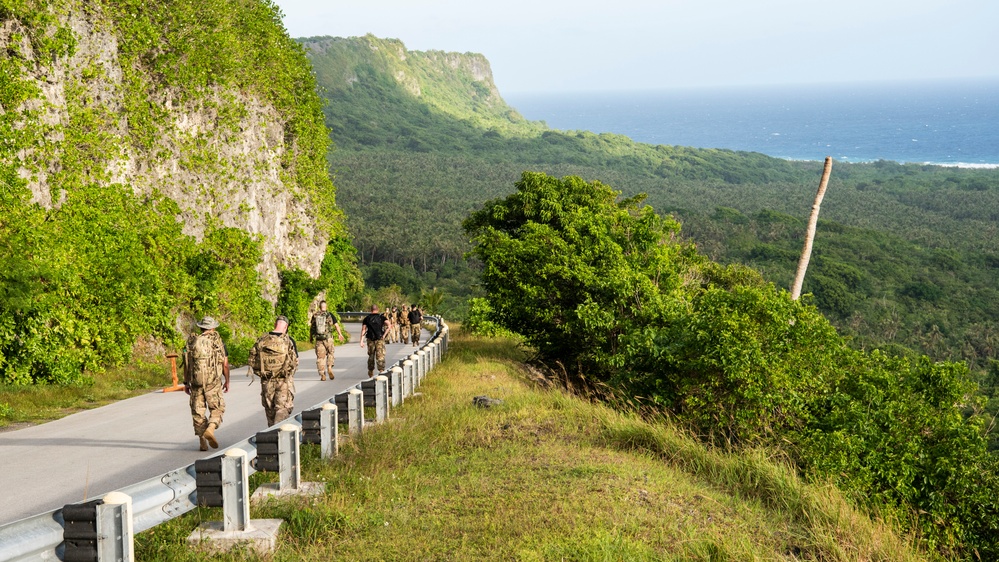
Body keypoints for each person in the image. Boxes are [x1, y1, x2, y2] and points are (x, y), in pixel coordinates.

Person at [183, 316, 230, 451]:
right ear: (213, 327)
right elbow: (225, 365)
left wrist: (186, 382)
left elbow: (187, 364)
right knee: (217, 408)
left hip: (196, 383)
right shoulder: (218, 343)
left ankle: (202, 441)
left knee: (198, 412)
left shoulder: (192, 342)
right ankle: (211, 428)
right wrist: (227, 380)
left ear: (200, 327)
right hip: (213, 383)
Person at [248, 315, 299, 427]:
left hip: (267, 381)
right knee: (283, 408)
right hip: (283, 381)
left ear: (275, 325)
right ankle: (278, 431)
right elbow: (295, 362)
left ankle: (271, 433)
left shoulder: (262, 340)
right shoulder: (288, 341)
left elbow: (252, 360)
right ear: (285, 327)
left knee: (270, 411)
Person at [310, 300, 344, 381]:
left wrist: (310, 337)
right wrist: (340, 334)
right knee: (330, 353)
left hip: (319, 339)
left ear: (319, 307)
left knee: (320, 357)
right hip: (328, 338)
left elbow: (312, 328)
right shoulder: (330, 315)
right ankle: (329, 367)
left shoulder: (315, 316)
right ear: (326, 307)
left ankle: (322, 374)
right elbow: (336, 325)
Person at [360, 304, 390, 377]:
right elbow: (389, 325)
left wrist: (361, 341)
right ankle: (381, 370)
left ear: (371, 310)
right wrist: (384, 335)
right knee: (380, 356)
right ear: (378, 309)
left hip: (370, 339)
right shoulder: (382, 317)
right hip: (380, 339)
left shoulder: (367, 318)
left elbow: (363, 329)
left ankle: (370, 370)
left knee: (371, 356)